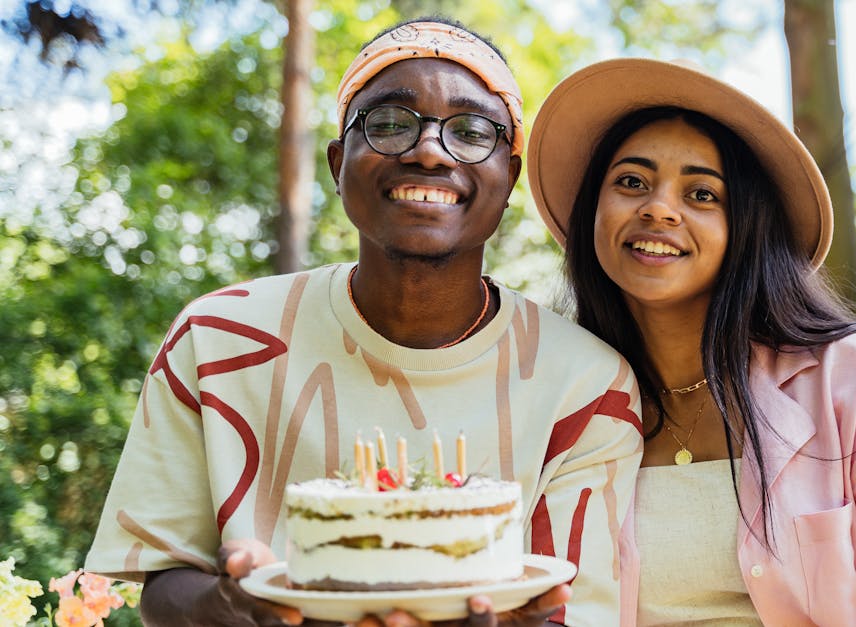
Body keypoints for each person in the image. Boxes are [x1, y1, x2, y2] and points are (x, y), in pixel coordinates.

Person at [84, 18, 643, 627]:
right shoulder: (218, 337)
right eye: (389, 124)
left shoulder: (586, 386)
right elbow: (165, 585)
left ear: (509, 176)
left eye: (473, 131)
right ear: (337, 163)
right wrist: (231, 607)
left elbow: (571, 606)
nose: (429, 150)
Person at [526, 58, 856, 625]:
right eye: (631, 182)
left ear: (748, 228)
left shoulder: (845, 379)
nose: (658, 208)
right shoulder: (555, 397)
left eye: (701, 194)